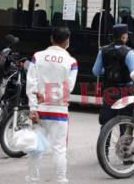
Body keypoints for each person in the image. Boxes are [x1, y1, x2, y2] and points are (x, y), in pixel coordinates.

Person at [26, 27, 78, 184]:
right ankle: (61, 180)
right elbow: (68, 88)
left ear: (51, 38)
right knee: (59, 149)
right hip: (59, 111)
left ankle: (32, 179)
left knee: (36, 148)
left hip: (39, 111)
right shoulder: (71, 62)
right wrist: (49, 96)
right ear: (67, 41)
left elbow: (31, 83)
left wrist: (33, 108)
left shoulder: (37, 57)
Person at [92, 24, 134, 126]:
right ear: (123, 37)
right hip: (125, 91)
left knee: (106, 123)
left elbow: (96, 72)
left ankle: (105, 142)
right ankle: (123, 141)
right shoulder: (129, 52)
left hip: (109, 89)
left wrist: (108, 71)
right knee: (124, 123)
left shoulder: (102, 50)